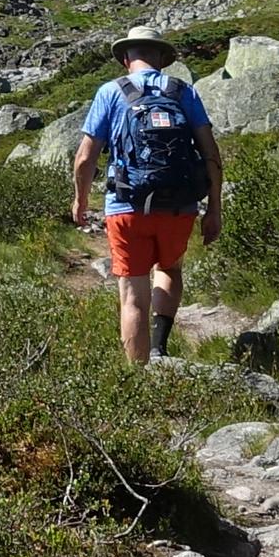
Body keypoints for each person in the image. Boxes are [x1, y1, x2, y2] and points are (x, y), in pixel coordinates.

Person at [69, 26, 221, 365]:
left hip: (126, 206)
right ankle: (158, 347)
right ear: (162, 60)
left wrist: (80, 200)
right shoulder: (184, 93)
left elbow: (85, 158)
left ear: (126, 58)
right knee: (170, 267)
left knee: (132, 296)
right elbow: (211, 155)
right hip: (180, 206)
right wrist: (214, 209)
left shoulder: (110, 92)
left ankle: (138, 378)